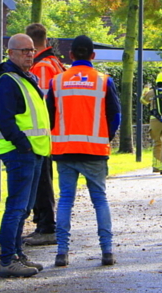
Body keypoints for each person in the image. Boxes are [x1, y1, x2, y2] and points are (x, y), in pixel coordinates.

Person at [46, 35, 121, 268]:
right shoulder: (103, 81)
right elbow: (115, 115)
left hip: (65, 150)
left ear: (70, 55)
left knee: (66, 200)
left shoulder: (57, 82)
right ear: (93, 55)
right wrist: (104, 137)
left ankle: (62, 252)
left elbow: (49, 115)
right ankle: (107, 251)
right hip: (94, 151)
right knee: (99, 199)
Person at [0, 33, 52, 278]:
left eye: (31, 50)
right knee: (16, 208)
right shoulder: (8, 80)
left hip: (34, 151)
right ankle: (7, 261)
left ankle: (17, 255)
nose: (30, 53)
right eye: (24, 50)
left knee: (24, 208)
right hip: (21, 153)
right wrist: (23, 145)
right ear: (11, 53)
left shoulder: (27, 78)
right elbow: (5, 119)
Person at [22, 22, 65, 247]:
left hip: (42, 134)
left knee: (42, 180)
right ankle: (42, 223)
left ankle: (46, 226)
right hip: (52, 133)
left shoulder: (41, 67)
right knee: (42, 178)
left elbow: (43, 104)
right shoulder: (54, 63)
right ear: (46, 41)